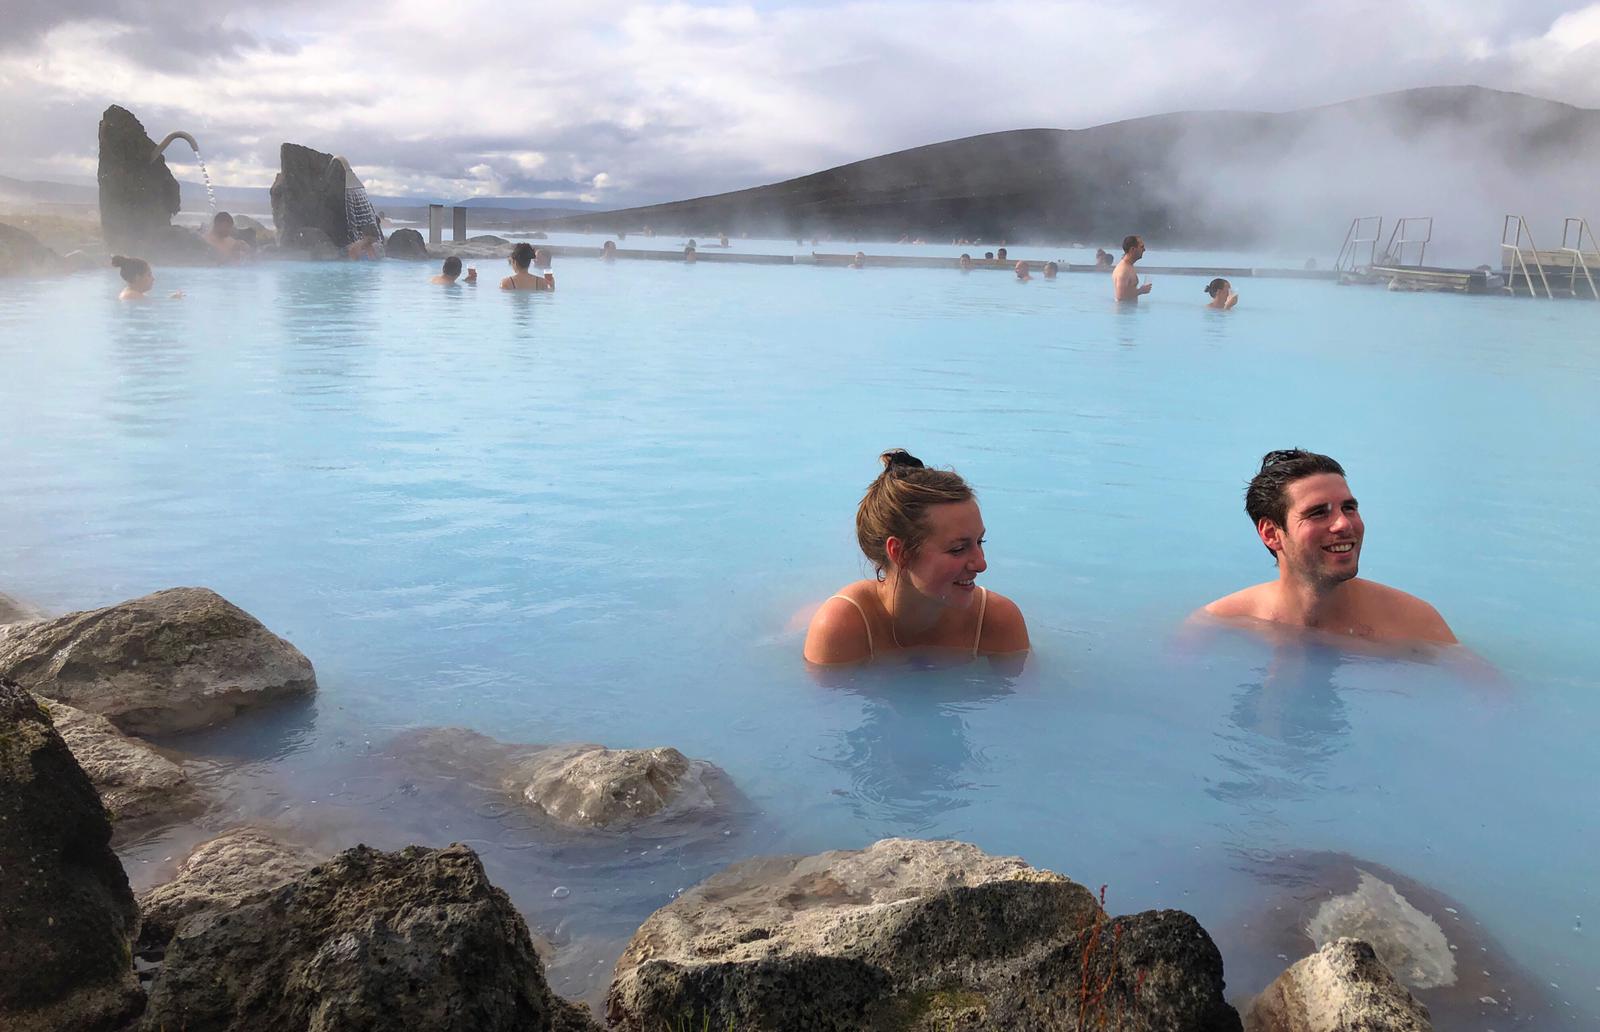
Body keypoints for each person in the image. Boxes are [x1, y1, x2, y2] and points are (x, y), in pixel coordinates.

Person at [1199, 450, 1456, 644]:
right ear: (1271, 534)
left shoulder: (1415, 626)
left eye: (1349, 508)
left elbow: (1486, 699)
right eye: (1318, 513)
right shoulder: (1219, 626)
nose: (1343, 524)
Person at [803, 450, 1029, 665]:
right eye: (958, 549)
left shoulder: (996, 622)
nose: (981, 564)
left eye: (980, 542)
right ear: (900, 553)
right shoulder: (842, 627)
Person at [110, 255, 182, 300]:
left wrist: (171, 298)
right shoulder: (131, 296)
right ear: (137, 278)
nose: (153, 279)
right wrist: (171, 300)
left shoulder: (134, 294)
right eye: (149, 275)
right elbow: (153, 306)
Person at [1112, 235, 1151, 301]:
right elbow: (1120, 296)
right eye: (1141, 247)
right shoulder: (1123, 270)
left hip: (1128, 309)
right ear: (1132, 249)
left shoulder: (1128, 266)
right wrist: (1141, 291)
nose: (1144, 250)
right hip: (1124, 310)